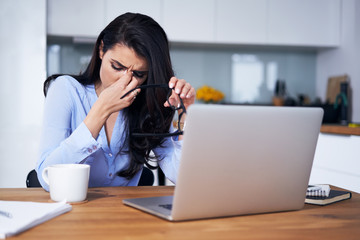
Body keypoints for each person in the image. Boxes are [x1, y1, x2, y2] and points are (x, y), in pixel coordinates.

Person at [36, 12, 195, 191]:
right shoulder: (65, 89)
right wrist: (102, 109)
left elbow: (183, 178)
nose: (124, 81)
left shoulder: (148, 104)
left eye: (139, 74)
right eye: (117, 67)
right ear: (102, 49)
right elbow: (47, 177)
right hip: (72, 213)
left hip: (125, 215)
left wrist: (185, 116)